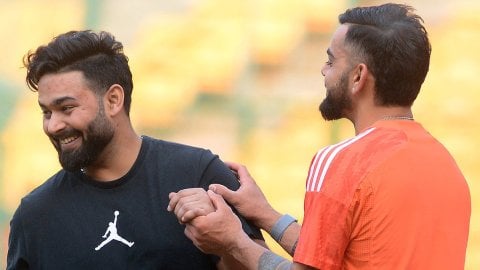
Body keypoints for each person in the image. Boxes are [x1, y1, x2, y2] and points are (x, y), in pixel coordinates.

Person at [168, 3, 471, 269]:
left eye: (331, 60)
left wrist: (232, 240)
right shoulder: (448, 167)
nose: (323, 71)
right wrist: (265, 214)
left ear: (358, 77)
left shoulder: (343, 161)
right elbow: (338, 258)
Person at [6, 30, 264, 270]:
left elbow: (259, 261)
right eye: (46, 112)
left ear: (113, 100)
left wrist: (226, 243)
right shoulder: (35, 215)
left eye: (67, 108)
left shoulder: (198, 173)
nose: (53, 125)